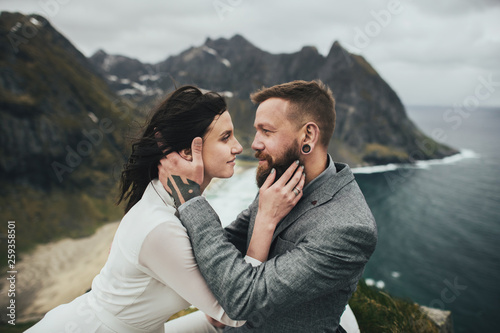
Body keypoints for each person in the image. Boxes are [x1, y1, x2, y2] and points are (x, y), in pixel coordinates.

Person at [26, 86, 305, 333]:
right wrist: (266, 218)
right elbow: (236, 310)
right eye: (225, 138)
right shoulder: (160, 226)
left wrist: (210, 313)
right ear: (187, 152)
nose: (239, 147)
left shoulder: (170, 202)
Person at [159, 80, 378, 332]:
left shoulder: (348, 228)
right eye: (256, 130)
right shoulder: (280, 181)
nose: (254, 143)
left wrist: (192, 199)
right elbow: (228, 242)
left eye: (266, 131)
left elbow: (242, 299)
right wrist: (160, 240)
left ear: (308, 135)